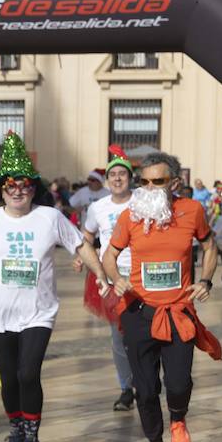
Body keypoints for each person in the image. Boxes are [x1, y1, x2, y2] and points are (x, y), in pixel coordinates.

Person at [0, 132, 110, 442]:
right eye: (10, 185)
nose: (17, 190)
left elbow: (81, 246)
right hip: (0, 314)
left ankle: (33, 437)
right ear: (1, 190)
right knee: (8, 378)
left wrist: (99, 274)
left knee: (28, 373)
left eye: (24, 184)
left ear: (33, 187)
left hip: (40, 312)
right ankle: (16, 430)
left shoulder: (49, 218)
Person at [101, 152, 222, 442]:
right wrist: (117, 279)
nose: (150, 188)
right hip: (139, 311)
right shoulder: (131, 216)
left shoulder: (191, 211)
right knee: (146, 386)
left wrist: (206, 280)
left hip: (177, 310)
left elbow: (210, 247)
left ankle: (179, 419)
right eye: (144, 182)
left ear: (175, 183)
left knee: (179, 381)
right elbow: (109, 254)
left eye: (158, 181)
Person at [81, 153, 137, 411]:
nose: (117, 179)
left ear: (130, 178)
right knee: (119, 336)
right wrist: (83, 257)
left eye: (122, 174)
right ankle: (126, 388)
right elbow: (87, 235)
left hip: (141, 275)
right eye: (113, 175)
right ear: (106, 181)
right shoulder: (98, 208)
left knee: (148, 332)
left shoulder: (140, 202)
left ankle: (147, 380)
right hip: (112, 277)